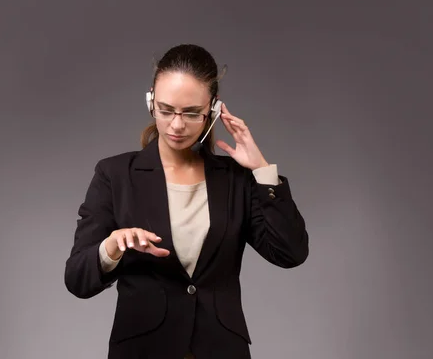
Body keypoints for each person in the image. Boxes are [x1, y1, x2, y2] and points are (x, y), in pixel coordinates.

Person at [64, 44, 309, 359]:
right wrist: (110, 247)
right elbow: (77, 279)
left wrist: (262, 170)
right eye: (166, 110)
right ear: (151, 102)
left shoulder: (235, 179)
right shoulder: (115, 175)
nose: (176, 125)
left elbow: (290, 253)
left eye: (191, 113)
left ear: (213, 110)